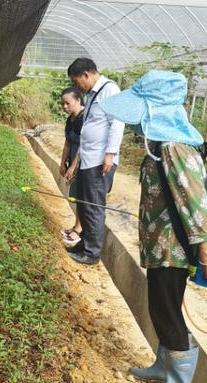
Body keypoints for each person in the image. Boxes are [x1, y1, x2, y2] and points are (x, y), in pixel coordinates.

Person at [101, 70, 207, 383]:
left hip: (173, 248)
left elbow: (195, 203)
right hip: (161, 245)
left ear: (156, 111)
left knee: (166, 310)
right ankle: (164, 365)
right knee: (162, 306)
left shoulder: (175, 147)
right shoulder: (162, 144)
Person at [66, 58, 125, 264]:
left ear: (86, 75)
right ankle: (84, 244)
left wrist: (110, 153)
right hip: (88, 159)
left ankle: (92, 254)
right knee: (84, 205)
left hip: (100, 161)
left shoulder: (110, 90)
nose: (77, 86)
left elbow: (117, 123)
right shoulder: (92, 94)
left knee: (93, 207)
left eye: (77, 81)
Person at [59, 87, 85, 247]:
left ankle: (79, 229)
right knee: (76, 194)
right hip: (73, 159)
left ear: (78, 100)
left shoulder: (84, 119)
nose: (65, 107)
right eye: (62, 104)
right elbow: (68, 142)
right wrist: (62, 163)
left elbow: (83, 145)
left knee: (82, 195)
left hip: (83, 161)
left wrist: (73, 167)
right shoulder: (71, 119)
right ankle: (76, 226)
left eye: (67, 103)